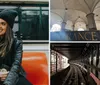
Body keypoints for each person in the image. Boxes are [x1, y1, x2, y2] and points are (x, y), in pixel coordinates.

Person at [0, 9, 32, 85]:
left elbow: (16, 65)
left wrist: (7, 83)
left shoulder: (17, 43)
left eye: (3, 24)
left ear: (8, 27)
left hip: (12, 75)